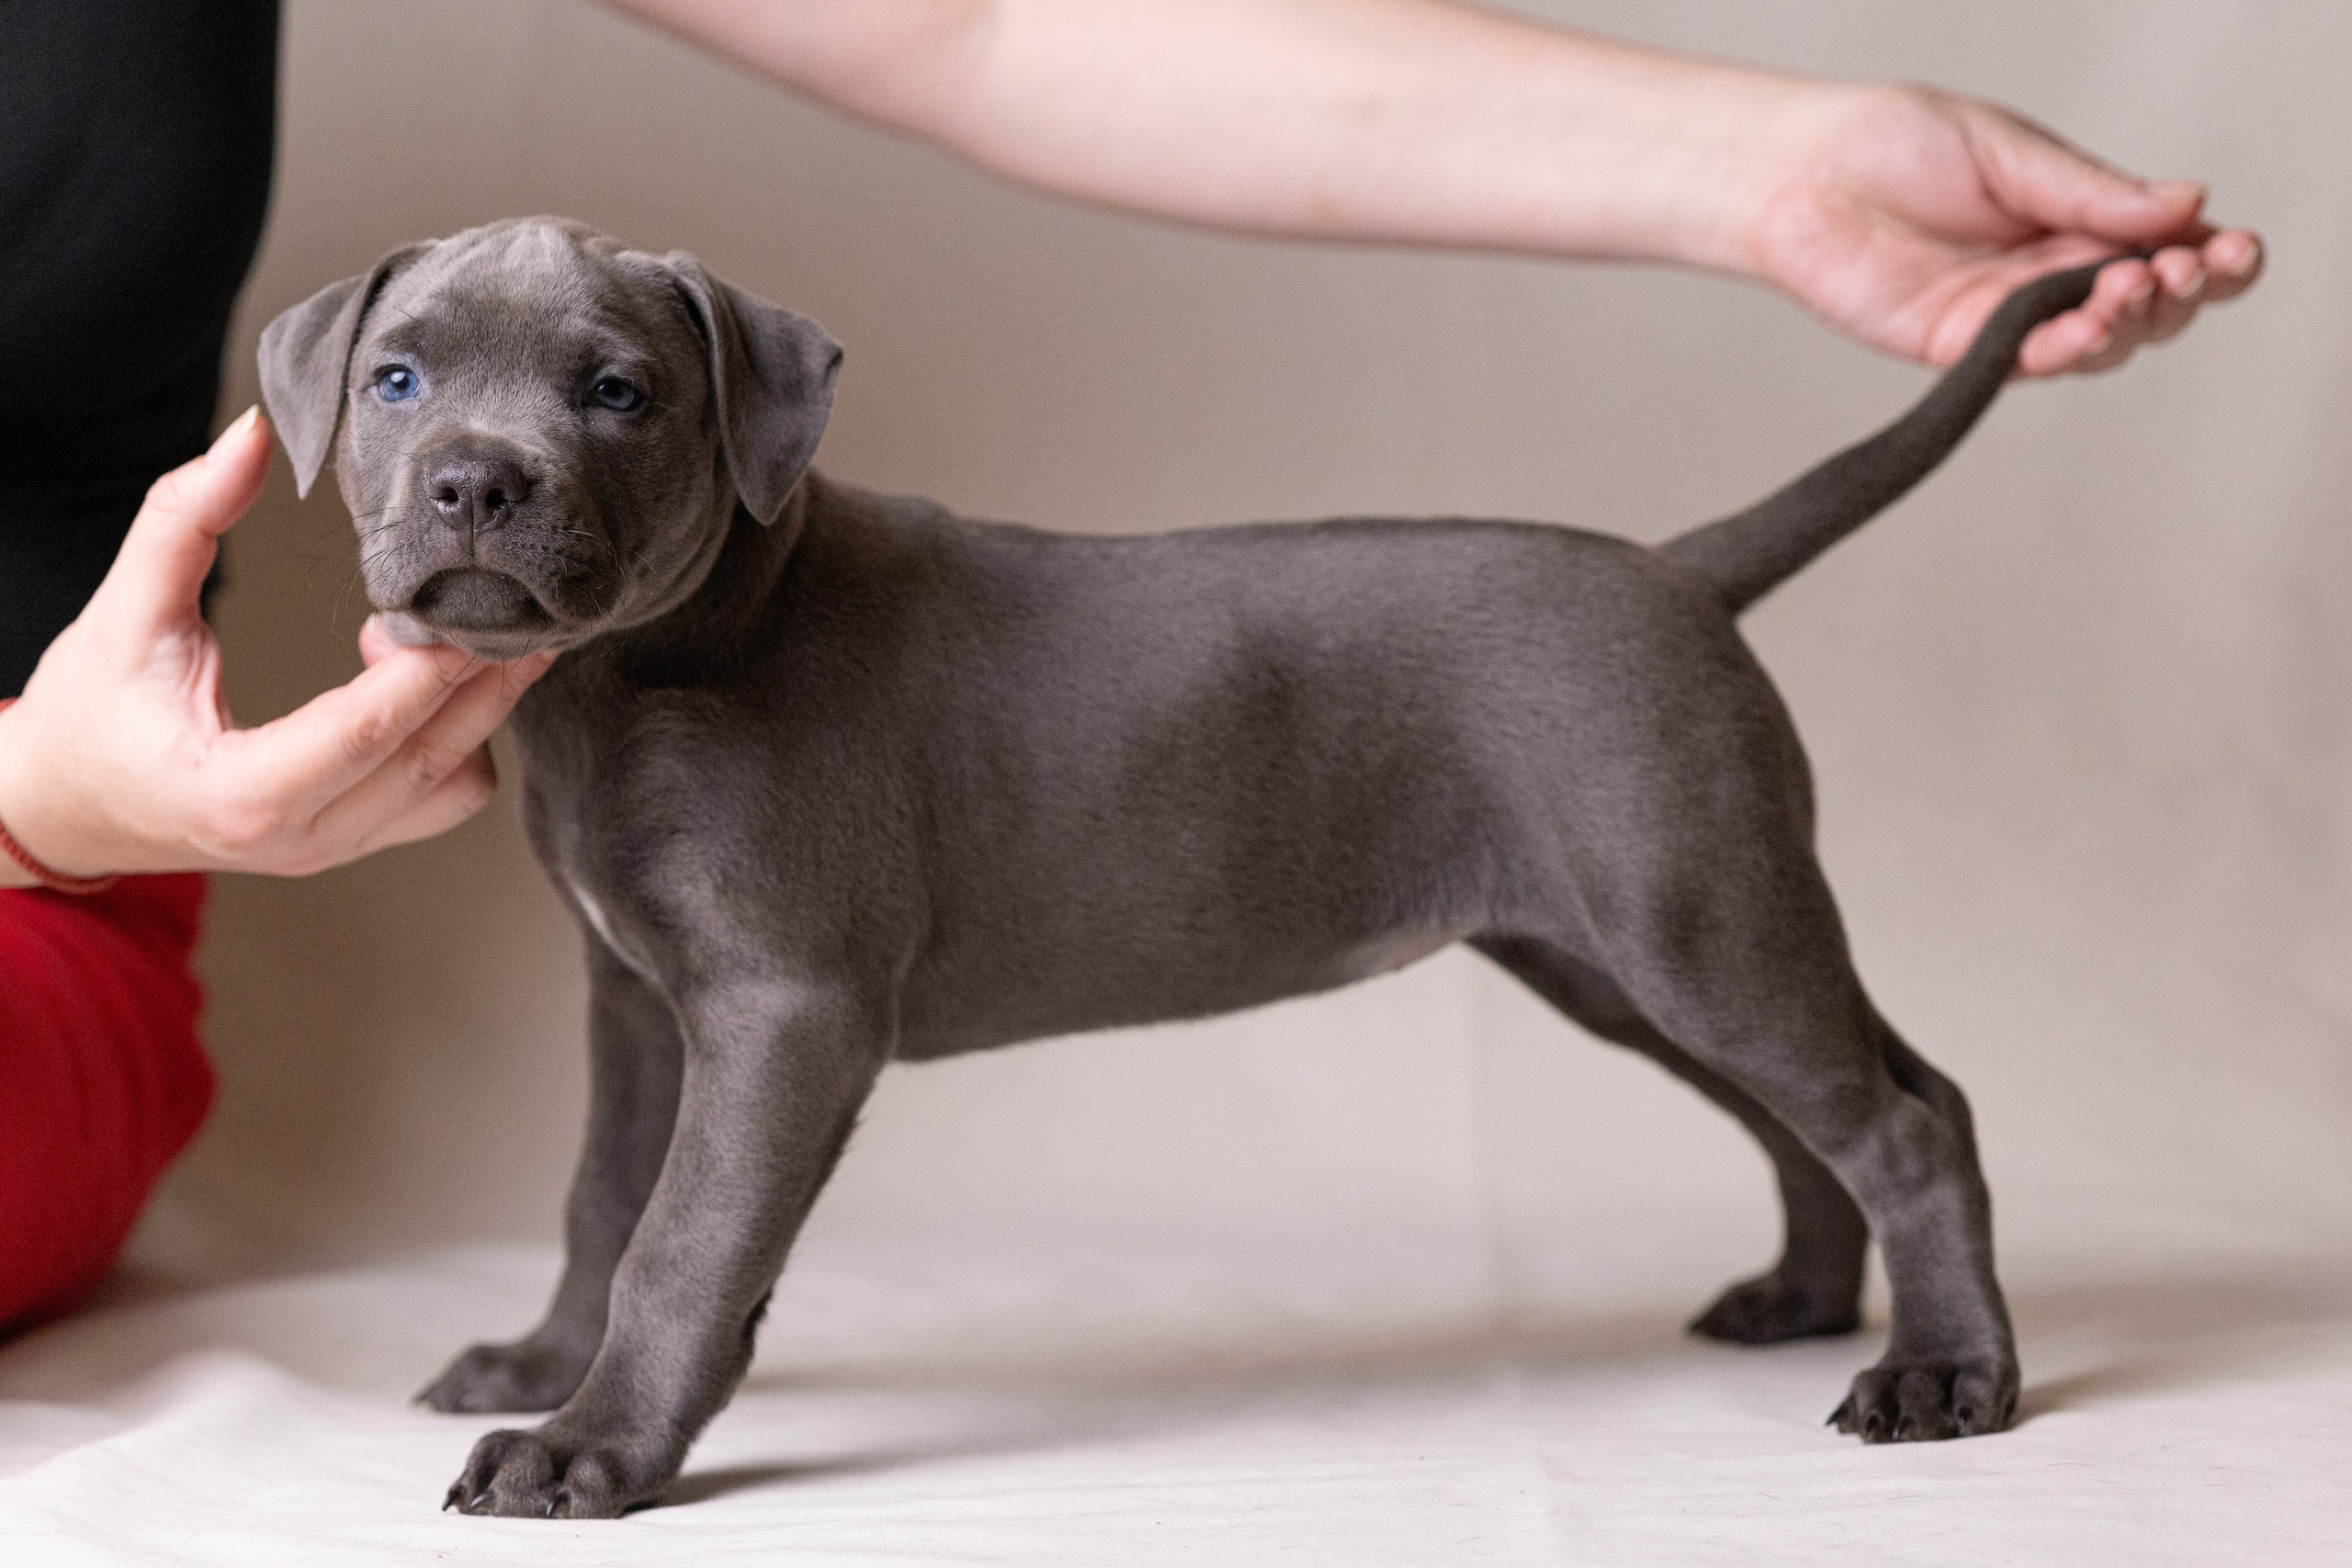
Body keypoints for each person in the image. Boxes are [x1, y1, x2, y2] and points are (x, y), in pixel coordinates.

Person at [0, 0, 2261, 1334]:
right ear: (316, 403)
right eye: (400, 399)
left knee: (1686, 961)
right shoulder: (602, 719)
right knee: (1648, 965)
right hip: (49, 849)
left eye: (589, 396)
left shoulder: (721, 628)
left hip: (1534, 659)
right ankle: (1837, 1226)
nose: (474, 467)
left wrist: (1772, 162)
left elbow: (988, 18)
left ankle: (1903, 1238)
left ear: (736, 417)